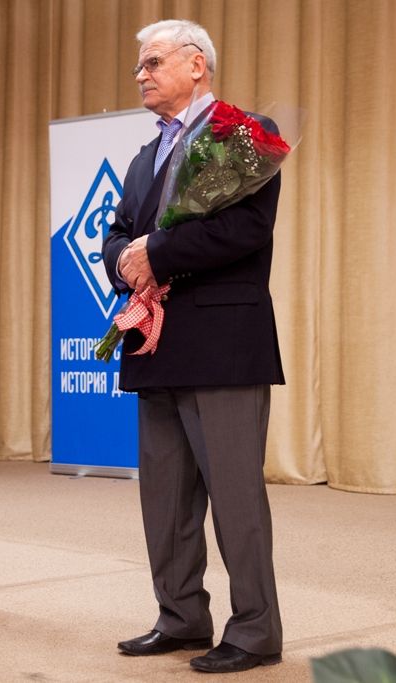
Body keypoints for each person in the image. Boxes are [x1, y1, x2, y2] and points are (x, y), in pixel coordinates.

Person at [102, 19, 284, 674]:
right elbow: (116, 234)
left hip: (223, 344)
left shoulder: (245, 134)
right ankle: (180, 615)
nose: (141, 74)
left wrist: (158, 251)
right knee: (166, 500)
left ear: (196, 65)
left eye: (152, 62)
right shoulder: (142, 157)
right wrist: (124, 259)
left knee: (236, 498)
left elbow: (246, 230)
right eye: (139, 65)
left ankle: (256, 630)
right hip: (155, 345)